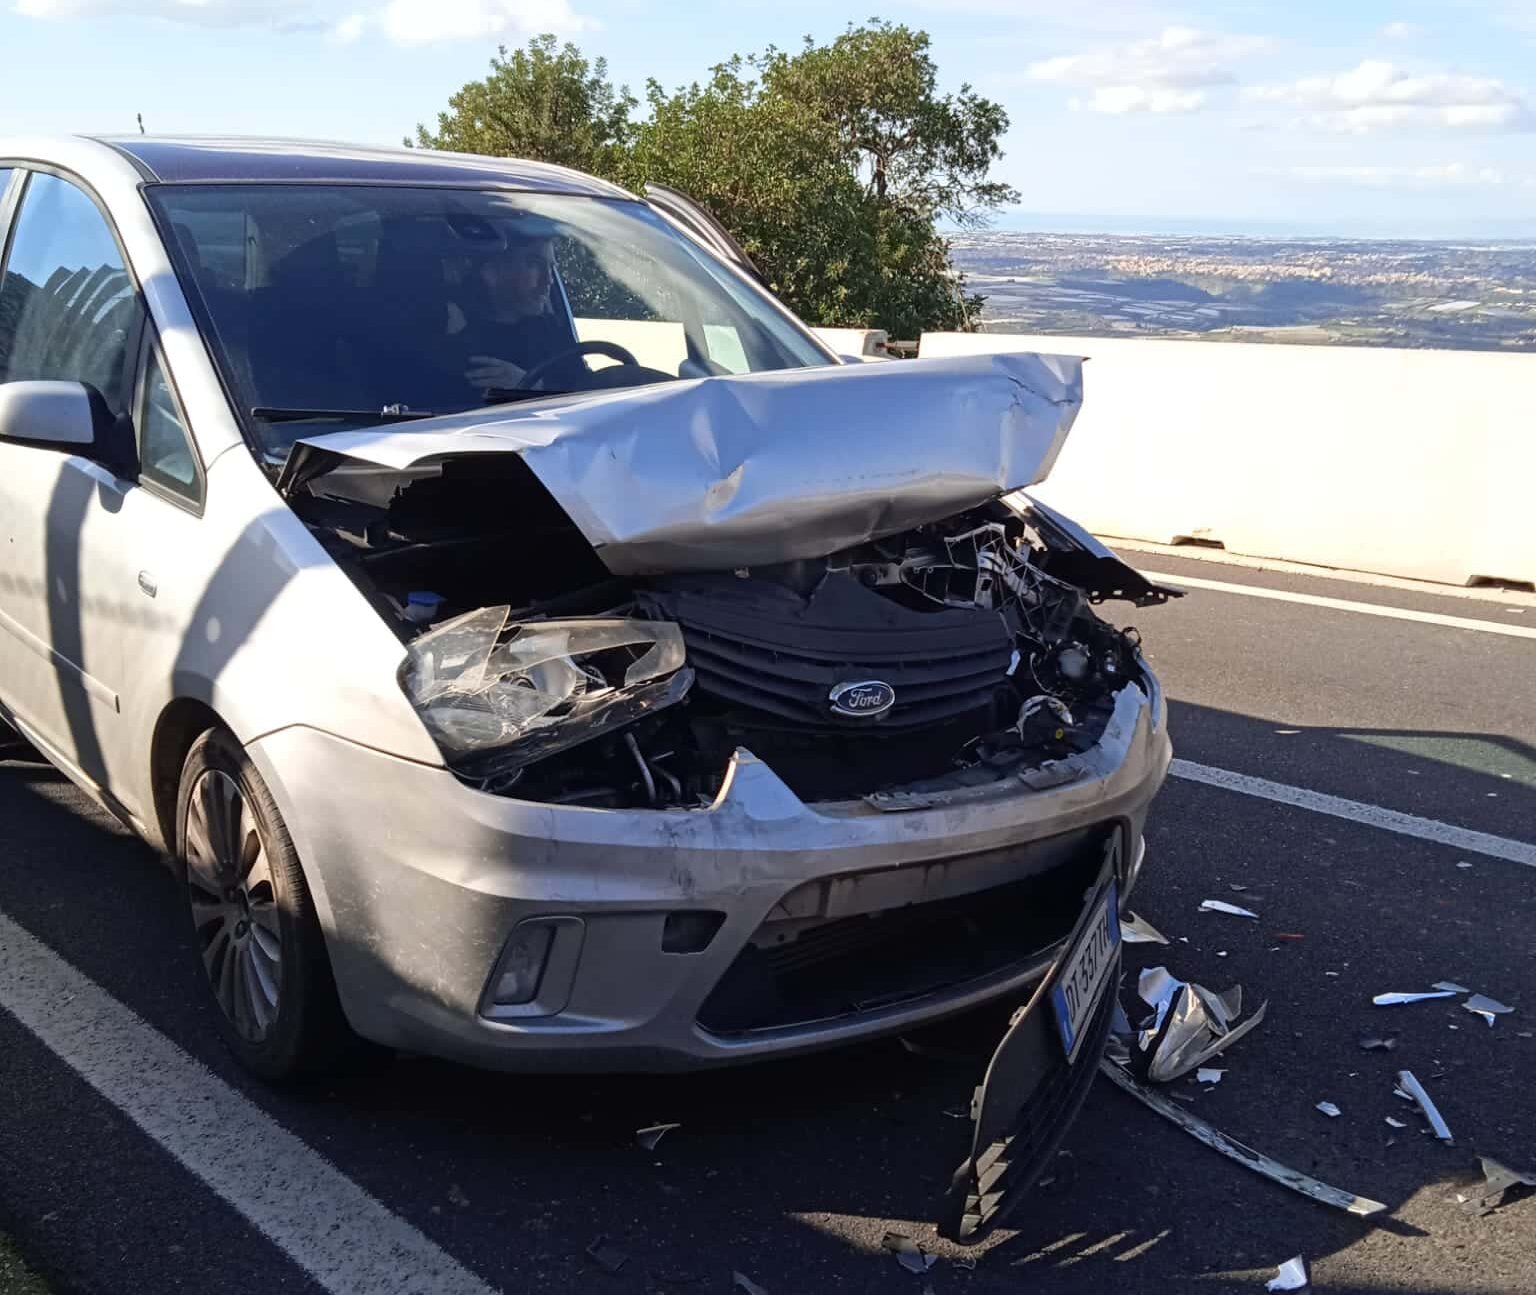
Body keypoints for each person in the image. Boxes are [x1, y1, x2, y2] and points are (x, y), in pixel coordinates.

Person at [454, 234, 583, 395]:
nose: (548, 279)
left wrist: (533, 385)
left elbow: (585, 389)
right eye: (534, 265)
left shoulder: (552, 331)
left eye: (551, 268)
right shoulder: (462, 346)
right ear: (492, 273)